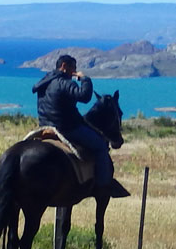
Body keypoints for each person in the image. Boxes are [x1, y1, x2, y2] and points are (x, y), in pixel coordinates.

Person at [32, 54, 121, 197]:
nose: (74, 71)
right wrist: (84, 79)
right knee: (100, 146)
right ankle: (104, 186)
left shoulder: (44, 82)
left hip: (44, 126)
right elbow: (84, 97)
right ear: (64, 67)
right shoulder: (64, 82)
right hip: (65, 127)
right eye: (73, 68)